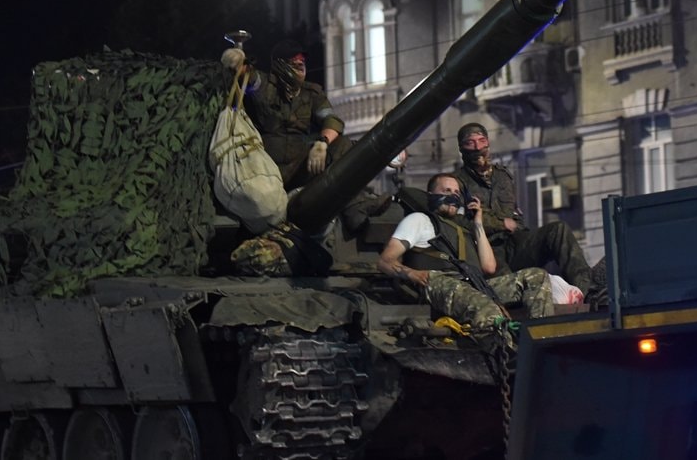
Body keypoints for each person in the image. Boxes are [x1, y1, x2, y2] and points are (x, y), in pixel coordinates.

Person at [377, 173, 553, 332]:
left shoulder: (463, 231)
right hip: (437, 284)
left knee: (536, 277)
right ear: (431, 195)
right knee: (486, 307)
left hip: (470, 286)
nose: (453, 196)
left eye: (456, 192)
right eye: (446, 191)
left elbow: (489, 267)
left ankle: (539, 338)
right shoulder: (419, 220)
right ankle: (505, 349)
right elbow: (385, 261)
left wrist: (478, 224)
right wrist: (413, 274)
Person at [452, 122, 593, 294]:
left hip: (515, 241)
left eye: (481, 141)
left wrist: (517, 224)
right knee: (510, 287)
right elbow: (459, 221)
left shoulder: (502, 176)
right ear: (462, 148)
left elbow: (514, 211)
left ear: (488, 142)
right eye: (470, 143)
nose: (477, 147)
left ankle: (587, 290)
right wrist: (500, 224)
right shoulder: (456, 182)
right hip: (487, 249)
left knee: (558, 231)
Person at [222, 39, 351, 190]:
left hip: (300, 166)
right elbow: (248, 76)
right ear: (280, 65)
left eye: (302, 62)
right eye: (294, 62)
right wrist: (237, 60)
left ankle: (353, 202)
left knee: (344, 145)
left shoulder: (311, 93)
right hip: (266, 167)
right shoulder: (265, 86)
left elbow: (331, 119)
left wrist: (322, 143)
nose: (301, 65)